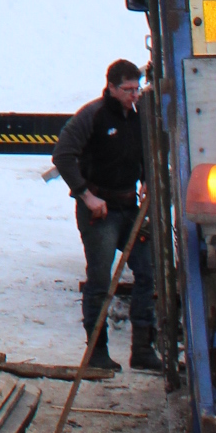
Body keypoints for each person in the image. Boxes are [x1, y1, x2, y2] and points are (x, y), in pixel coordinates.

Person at [53, 59, 158, 371]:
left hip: (130, 207)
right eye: (127, 89)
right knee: (100, 280)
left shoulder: (139, 118)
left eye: (136, 88)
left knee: (147, 272)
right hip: (100, 211)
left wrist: (147, 179)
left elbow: (148, 152)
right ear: (111, 87)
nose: (134, 95)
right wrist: (85, 195)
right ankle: (97, 352)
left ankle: (143, 349)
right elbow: (62, 155)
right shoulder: (93, 115)